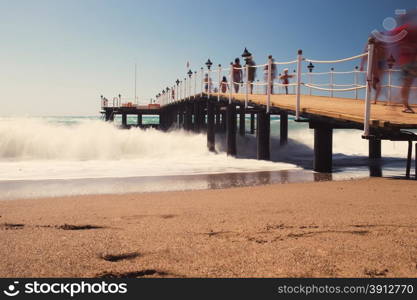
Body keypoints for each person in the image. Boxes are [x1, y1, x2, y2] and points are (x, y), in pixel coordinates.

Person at [360, 38, 387, 104]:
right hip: (376, 62)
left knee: (375, 80)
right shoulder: (376, 44)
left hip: (379, 62)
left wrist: (362, 65)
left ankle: (375, 99)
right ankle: (374, 98)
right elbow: (365, 55)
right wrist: (362, 65)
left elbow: (365, 55)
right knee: (372, 80)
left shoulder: (381, 44)